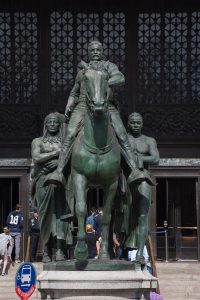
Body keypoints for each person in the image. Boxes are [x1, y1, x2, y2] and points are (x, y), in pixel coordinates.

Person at [48, 40, 153, 186]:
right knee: (70, 134)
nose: (96, 52)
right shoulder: (82, 72)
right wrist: (69, 103)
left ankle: (134, 170)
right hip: (83, 105)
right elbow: (74, 92)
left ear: (102, 51)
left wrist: (101, 81)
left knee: (122, 135)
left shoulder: (109, 66)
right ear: (89, 53)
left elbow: (120, 78)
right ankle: (59, 172)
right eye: (93, 50)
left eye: (98, 50)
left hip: (106, 105)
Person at [31, 112, 73, 262]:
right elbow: (36, 157)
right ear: (46, 124)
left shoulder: (65, 142)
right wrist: (57, 153)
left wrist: (59, 163)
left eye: (56, 122)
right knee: (46, 215)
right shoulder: (38, 141)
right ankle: (46, 250)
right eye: (50, 122)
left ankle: (60, 250)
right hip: (43, 181)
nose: (53, 124)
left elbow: (72, 159)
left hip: (60, 182)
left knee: (61, 216)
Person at [124, 112, 160, 264]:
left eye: (138, 122)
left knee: (142, 215)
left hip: (143, 177)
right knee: (123, 215)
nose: (135, 125)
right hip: (125, 179)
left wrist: (139, 158)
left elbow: (156, 158)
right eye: (133, 122)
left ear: (142, 124)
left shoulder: (149, 140)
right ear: (128, 124)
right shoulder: (123, 138)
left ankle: (140, 252)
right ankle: (121, 250)